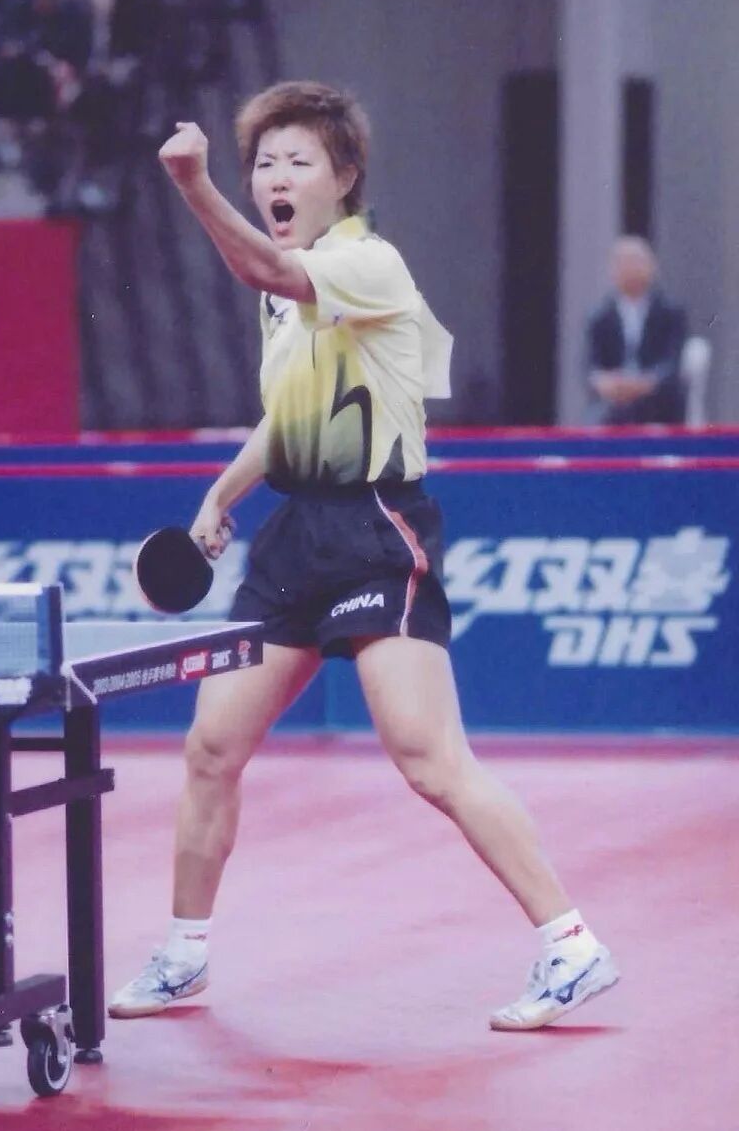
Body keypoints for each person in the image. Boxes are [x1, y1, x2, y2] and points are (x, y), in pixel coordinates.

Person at [108, 81, 619, 1032]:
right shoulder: (285, 293)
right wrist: (221, 496)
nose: (276, 177)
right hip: (296, 534)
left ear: (344, 177)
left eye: (298, 160)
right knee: (211, 747)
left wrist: (191, 185)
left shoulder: (368, 263)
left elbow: (263, 268)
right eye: (264, 163)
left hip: (378, 526)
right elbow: (286, 418)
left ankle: (572, 943)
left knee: (428, 757)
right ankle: (183, 952)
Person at [585, 235, 688, 425]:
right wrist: (605, 382)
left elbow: (672, 362)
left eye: (636, 262)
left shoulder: (670, 312)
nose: (630, 269)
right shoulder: (599, 317)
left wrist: (645, 383)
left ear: (652, 266)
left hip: (658, 401)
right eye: (623, 263)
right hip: (612, 403)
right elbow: (590, 365)